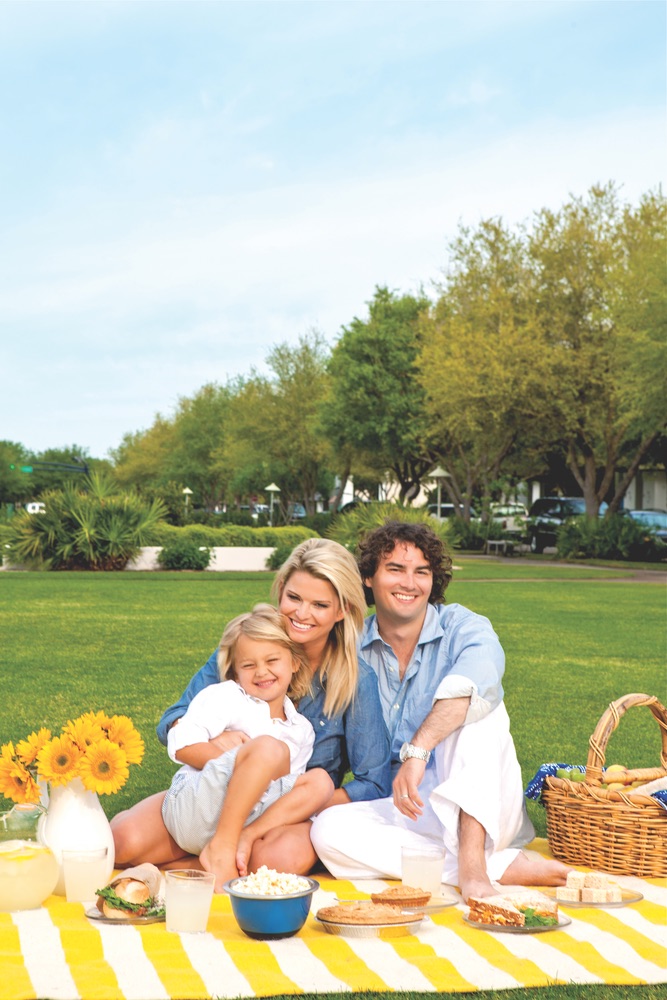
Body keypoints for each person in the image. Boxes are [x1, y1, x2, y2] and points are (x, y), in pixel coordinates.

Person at [310, 520, 570, 901]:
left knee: (479, 711)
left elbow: (478, 678)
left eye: (422, 572)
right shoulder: (349, 649)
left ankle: (474, 867)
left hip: (484, 800)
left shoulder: (465, 626)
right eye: (395, 569)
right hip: (408, 808)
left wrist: (419, 749)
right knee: (327, 832)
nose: (409, 583)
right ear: (368, 577)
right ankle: (497, 866)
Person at [111, 537, 391, 875]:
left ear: (342, 610)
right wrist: (225, 754)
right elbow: (173, 721)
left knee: (279, 861)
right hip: (214, 793)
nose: (301, 614)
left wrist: (289, 806)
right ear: (280, 592)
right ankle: (214, 855)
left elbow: (373, 782)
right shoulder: (247, 646)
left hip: (286, 812)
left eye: (319, 605)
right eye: (294, 598)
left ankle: (213, 855)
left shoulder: (356, 680)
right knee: (120, 844)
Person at [162, 604, 333, 890]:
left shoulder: (301, 729)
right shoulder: (227, 697)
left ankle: (198, 863)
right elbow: (180, 745)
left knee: (321, 782)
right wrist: (237, 757)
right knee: (267, 748)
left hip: (250, 816)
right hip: (202, 805)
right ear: (235, 672)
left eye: (272, 660)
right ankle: (223, 848)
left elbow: (286, 787)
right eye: (249, 665)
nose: (261, 672)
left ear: (294, 663)